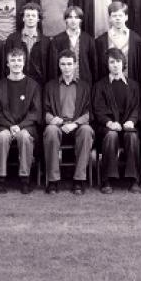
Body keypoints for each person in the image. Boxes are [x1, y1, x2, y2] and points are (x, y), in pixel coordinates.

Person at [43, 50, 95, 195]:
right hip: (58, 126)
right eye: (63, 64)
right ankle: (53, 181)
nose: (66, 67)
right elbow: (44, 111)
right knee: (50, 130)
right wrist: (53, 120)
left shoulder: (84, 86)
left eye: (69, 64)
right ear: (59, 66)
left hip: (77, 125)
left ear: (75, 65)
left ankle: (78, 180)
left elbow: (90, 112)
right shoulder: (50, 86)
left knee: (87, 131)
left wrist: (76, 123)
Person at [0, 47, 42, 194]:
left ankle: (25, 179)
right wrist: (10, 126)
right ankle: (1, 179)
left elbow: (36, 112)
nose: (16, 63)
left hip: (26, 127)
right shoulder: (0, 85)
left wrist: (20, 127)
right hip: (4, 126)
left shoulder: (33, 85)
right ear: (7, 63)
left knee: (25, 137)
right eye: (12, 60)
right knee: (2, 137)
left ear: (24, 62)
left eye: (19, 60)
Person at [92, 48, 141, 193]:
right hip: (107, 127)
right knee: (111, 135)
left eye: (118, 61)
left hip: (128, 126)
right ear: (107, 65)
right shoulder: (100, 85)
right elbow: (98, 109)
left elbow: (137, 108)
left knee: (132, 136)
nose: (115, 65)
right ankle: (107, 179)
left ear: (123, 63)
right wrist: (109, 123)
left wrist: (131, 121)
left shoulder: (133, 85)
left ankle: (133, 179)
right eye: (112, 62)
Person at [4, 2, 56, 87]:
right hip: (16, 82)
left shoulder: (46, 42)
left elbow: (50, 68)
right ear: (23, 18)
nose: (30, 18)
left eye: (33, 16)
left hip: (39, 84)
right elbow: (6, 64)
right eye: (27, 15)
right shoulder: (12, 39)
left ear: (38, 19)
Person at [95, 1, 141, 84]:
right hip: (108, 87)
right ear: (109, 18)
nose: (117, 18)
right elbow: (98, 68)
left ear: (126, 17)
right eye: (114, 16)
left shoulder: (136, 40)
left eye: (120, 15)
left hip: (131, 87)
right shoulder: (101, 41)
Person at [51, 6, 97, 84]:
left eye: (76, 17)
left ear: (80, 20)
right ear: (65, 20)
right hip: (63, 84)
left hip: (84, 83)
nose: (73, 20)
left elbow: (94, 65)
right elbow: (53, 67)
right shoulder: (57, 40)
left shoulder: (88, 39)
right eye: (70, 17)